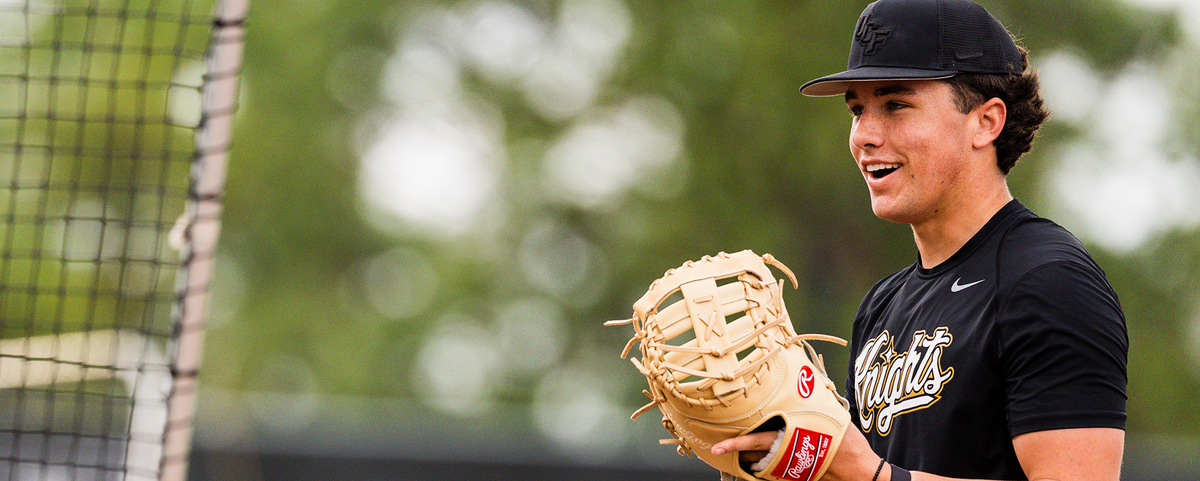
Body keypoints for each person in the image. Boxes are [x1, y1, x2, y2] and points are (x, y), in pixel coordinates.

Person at [710, 0, 1129, 480]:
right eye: (857, 109)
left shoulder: (1048, 282)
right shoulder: (882, 305)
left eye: (895, 105)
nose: (864, 134)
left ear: (986, 121)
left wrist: (865, 471)